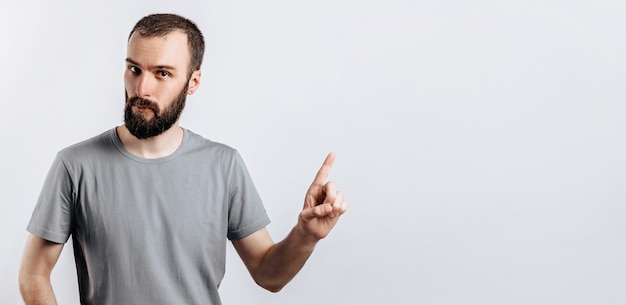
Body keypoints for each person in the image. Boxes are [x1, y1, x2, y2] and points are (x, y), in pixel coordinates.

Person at [18, 13, 348, 305]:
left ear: (193, 82)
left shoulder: (224, 166)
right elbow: (33, 276)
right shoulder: (75, 166)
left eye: (162, 73)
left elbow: (269, 275)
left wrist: (307, 235)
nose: (141, 88)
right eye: (134, 69)